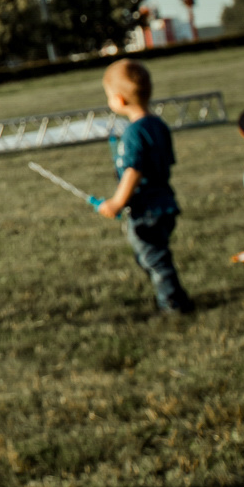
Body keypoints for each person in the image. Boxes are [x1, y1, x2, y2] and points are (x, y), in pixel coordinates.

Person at [97, 59, 194, 314]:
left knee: (155, 259)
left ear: (119, 100)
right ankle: (171, 296)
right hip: (165, 202)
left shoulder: (134, 133)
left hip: (146, 209)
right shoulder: (158, 125)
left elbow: (134, 171)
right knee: (153, 255)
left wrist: (117, 202)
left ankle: (173, 304)